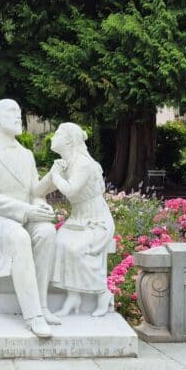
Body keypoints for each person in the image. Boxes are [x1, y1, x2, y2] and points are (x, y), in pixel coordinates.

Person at [0, 99, 59, 337]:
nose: (19, 117)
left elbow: (34, 193)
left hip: (23, 217)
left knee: (47, 231)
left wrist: (41, 207)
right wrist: (26, 210)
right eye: (12, 112)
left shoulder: (26, 154)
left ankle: (42, 304)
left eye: (20, 113)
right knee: (19, 236)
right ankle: (33, 316)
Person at [46, 123, 115, 317]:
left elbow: (70, 190)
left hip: (96, 220)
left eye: (57, 133)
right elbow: (43, 188)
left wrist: (55, 175)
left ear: (68, 140)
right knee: (59, 243)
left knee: (76, 249)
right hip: (77, 218)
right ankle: (73, 297)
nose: (52, 137)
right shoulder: (65, 163)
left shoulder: (82, 163)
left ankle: (103, 293)